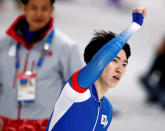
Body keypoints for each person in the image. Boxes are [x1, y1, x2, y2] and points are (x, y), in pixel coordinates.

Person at [46, 7, 146, 131]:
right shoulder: (77, 91)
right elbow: (99, 62)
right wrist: (134, 26)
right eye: (114, 60)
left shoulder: (107, 109)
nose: (120, 69)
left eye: (124, 64)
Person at [0, 0, 82, 130]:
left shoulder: (66, 47)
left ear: (51, 10)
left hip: (45, 124)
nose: (39, 14)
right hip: (6, 123)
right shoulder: (4, 44)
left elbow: (78, 92)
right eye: (33, 8)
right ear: (24, 8)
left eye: (44, 8)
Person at [139, 36, 165, 109]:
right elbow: (150, 71)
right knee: (143, 78)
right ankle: (154, 96)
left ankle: (157, 96)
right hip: (161, 86)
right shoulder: (160, 56)